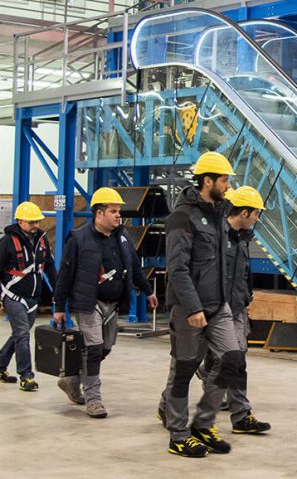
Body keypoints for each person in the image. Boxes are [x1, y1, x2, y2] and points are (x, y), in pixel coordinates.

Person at [156, 185, 270, 436]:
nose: (258, 218)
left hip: (233, 309)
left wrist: (246, 297)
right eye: (256, 213)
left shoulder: (242, 239)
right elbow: (184, 270)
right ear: (244, 212)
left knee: (236, 361)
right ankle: (168, 407)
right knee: (186, 364)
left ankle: (241, 415)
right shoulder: (214, 234)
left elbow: (242, 273)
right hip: (206, 309)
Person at [163, 151, 245, 458]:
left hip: (218, 304)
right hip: (189, 308)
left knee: (233, 359)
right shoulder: (181, 217)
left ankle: (203, 422)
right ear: (206, 180)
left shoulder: (220, 214)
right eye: (223, 180)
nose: (227, 186)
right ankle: (179, 434)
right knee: (184, 369)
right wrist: (194, 308)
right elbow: (178, 268)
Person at [53, 188, 158, 417]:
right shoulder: (78, 238)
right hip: (89, 303)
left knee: (104, 349)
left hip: (113, 304)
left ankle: (71, 381)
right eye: (113, 211)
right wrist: (59, 307)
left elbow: (134, 267)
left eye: (119, 211)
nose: (118, 215)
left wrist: (148, 291)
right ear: (99, 214)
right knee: (92, 349)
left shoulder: (123, 237)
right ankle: (93, 399)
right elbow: (65, 274)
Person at [0, 201, 57, 391]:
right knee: (23, 334)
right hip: (13, 295)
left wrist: (57, 290)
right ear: (20, 221)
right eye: (31, 222)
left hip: (34, 298)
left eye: (37, 222)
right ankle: (26, 376)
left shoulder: (42, 240)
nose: (35, 226)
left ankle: (0, 365)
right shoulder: (7, 242)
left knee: (19, 334)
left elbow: (48, 265)